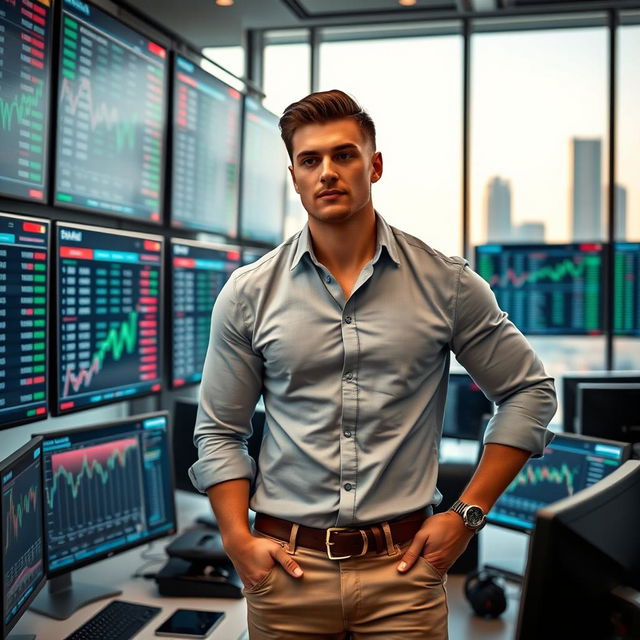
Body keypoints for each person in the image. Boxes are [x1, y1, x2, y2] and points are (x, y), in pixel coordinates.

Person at [189, 89, 557, 639]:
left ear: (375, 165)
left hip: (405, 575)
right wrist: (236, 540)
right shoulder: (248, 294)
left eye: (345, 155)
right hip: (287, 575)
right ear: (294, 176)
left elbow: (529, 392)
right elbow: (220, 431)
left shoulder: (446, 284)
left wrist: (467, 516)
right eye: (310, 160)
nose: (327, 172)